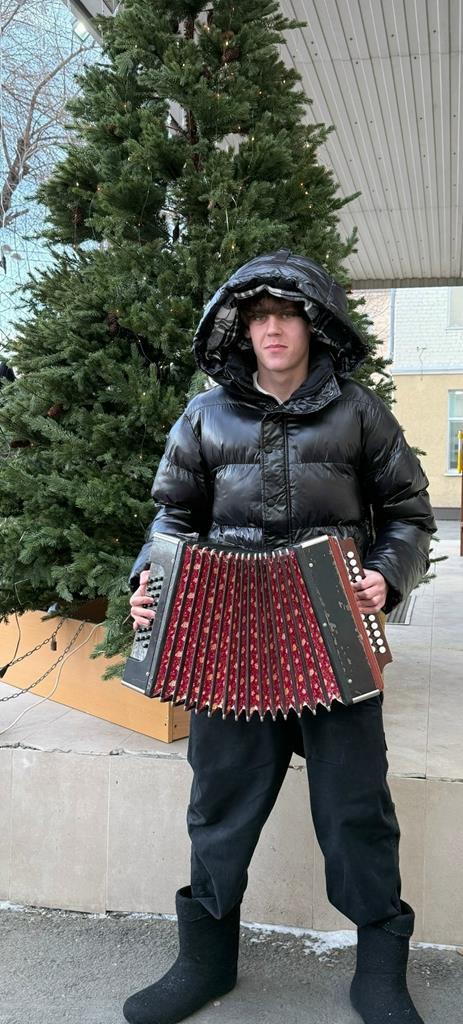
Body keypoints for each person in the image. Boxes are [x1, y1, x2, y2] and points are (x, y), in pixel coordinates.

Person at [123, 249, 436, 1024]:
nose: (272, 328)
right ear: (240, 328)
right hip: (229, 639)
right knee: (218, 802)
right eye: (258, 316)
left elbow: (408, 514)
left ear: (311, 324)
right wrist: (149, 586)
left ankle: (378, 971)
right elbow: (172, 516)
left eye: (286, 315)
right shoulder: (204, 416)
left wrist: (385, 576)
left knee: (355, 807)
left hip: (335, 634)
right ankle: (204, 962)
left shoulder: (358, 412)